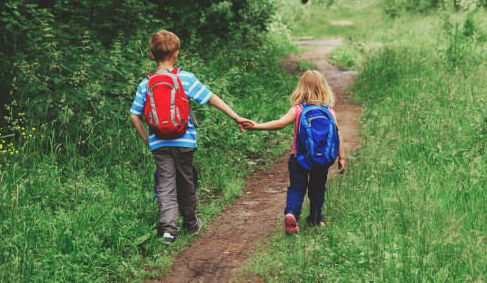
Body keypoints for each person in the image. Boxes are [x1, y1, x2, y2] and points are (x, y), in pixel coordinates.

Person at [130, 30, 253, 244]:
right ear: (176, 54)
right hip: (185, 141)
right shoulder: (185, 78)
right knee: (186, 181)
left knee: (165, 184)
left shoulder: (146, 83)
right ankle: (191, 223)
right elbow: (211, 98)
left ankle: (169, 231)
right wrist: (236, 117)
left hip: (159, 143)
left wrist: (149, 141)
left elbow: (134, 115)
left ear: (151, 55)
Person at [243, 70, 346, 234]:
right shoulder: (330, 111)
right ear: (324, 88)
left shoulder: (298, 109)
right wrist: (342, 157)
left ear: (301, 89)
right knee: (317, 189)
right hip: (322, 160)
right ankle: (315, 219)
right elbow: (337, 135)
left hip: (298, 158)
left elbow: (279, 123)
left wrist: (256, 126)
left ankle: (291, 214)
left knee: (297, 188)